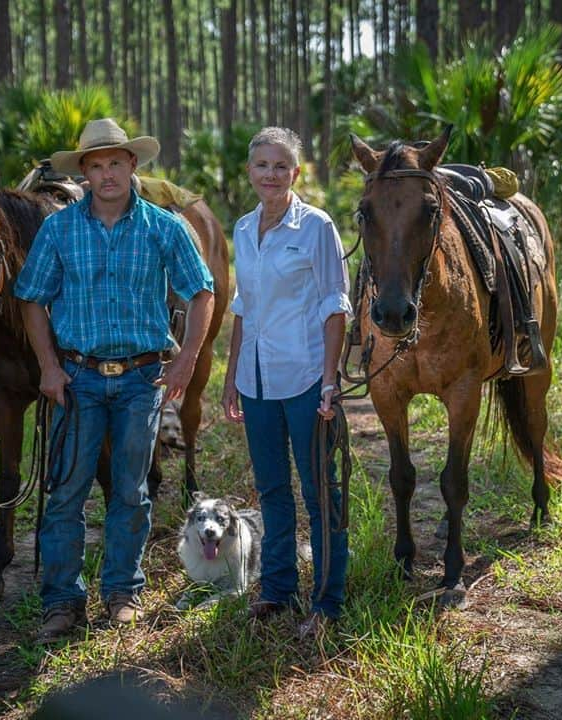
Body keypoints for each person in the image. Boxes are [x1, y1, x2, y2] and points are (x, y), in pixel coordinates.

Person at [16, 118, 215, 642]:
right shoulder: (59, 229)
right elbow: (31, 298)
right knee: (66, 492)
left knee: (130, 491)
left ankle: (122, 590)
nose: (107, 174)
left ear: (133, 166)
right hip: (76, 377)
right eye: (97, 165)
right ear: (84, 172)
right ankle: (62, 602)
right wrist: (48, 367)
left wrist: (186, 360)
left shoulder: (163, 227)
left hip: (140, 378)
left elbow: (202, 293)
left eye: (116, 163)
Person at [220, 126, 351, 637]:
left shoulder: (316, 227)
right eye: (262, 166)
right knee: (272, 489)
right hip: (256, 380)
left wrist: (328, 381)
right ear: (250, 172)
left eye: (281, 166)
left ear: (295, 173)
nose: (271, 174)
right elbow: (243, 308)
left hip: (303, 378)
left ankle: (327, 601)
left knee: (321, 492)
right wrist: (231, 377)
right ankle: (277, 590)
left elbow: (334, 304)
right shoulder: (242, 228)